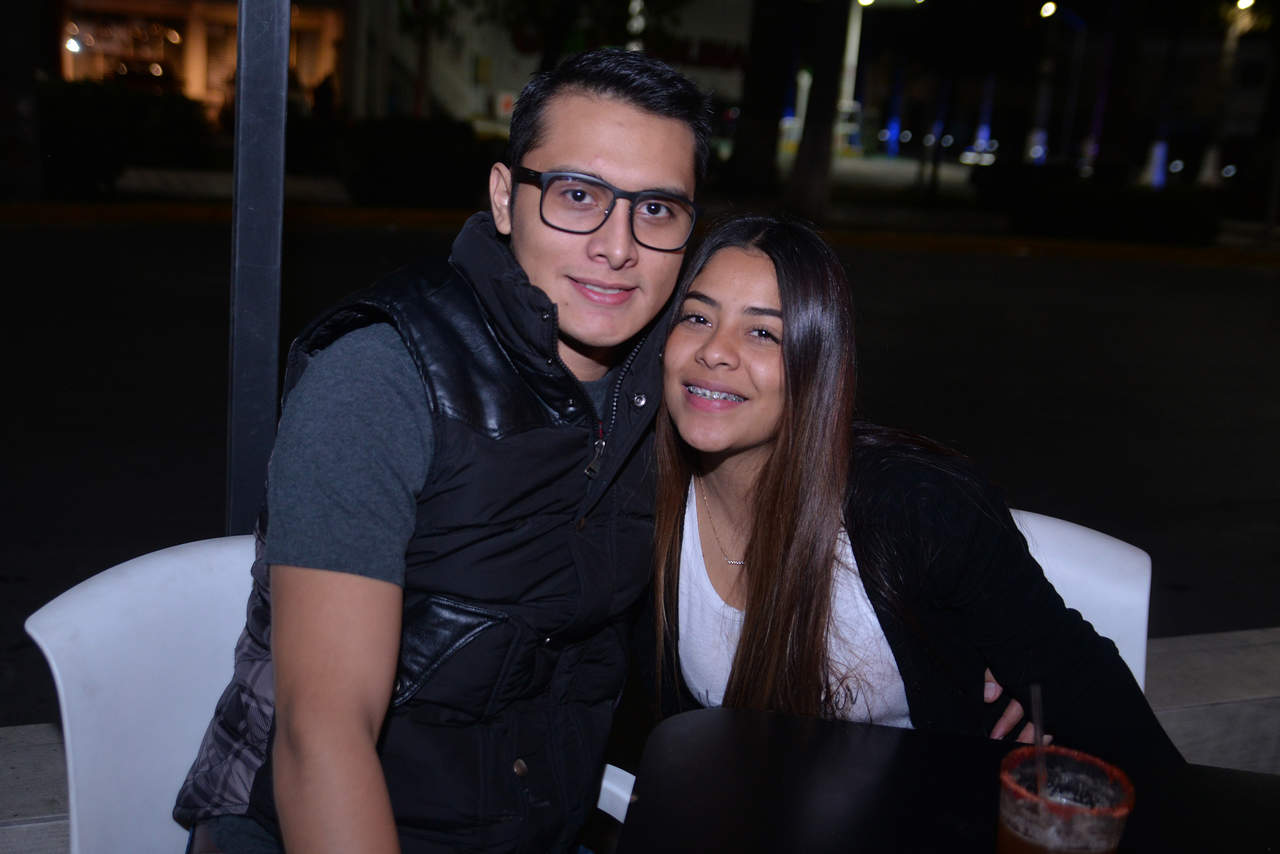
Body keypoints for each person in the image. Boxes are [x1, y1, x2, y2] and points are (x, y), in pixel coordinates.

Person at [173, 49, 711, 854]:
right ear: (504, 197)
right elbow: (322, 735)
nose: (617, 245)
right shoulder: (383, 374)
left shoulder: (670, 384)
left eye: (657, 210)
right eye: (577, 195)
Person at [645, 214, 1182, 783]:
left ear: (817, 365)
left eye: (762, 333)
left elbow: (1091, 695)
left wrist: (1033, 701)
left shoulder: (918, 509)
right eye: (698, 317)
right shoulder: (637, 501)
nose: (715, 351)